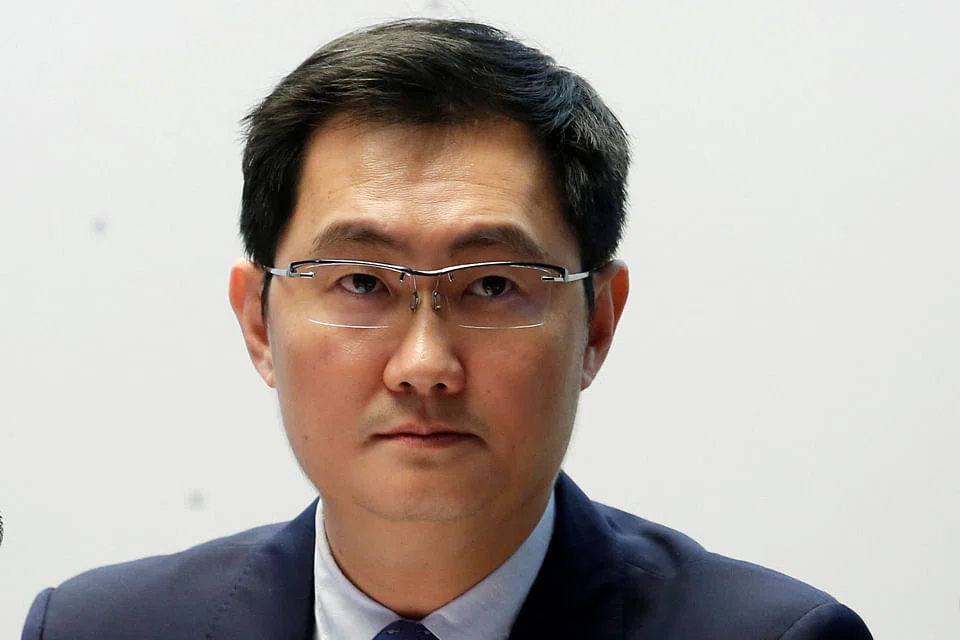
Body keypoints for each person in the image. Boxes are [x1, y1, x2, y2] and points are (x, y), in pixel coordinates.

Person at [22, 18, 872, 640]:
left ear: (598, 324)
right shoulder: (97, 629)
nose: (424, 365)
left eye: (494, 285)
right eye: (361, 281)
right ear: (258, 322)